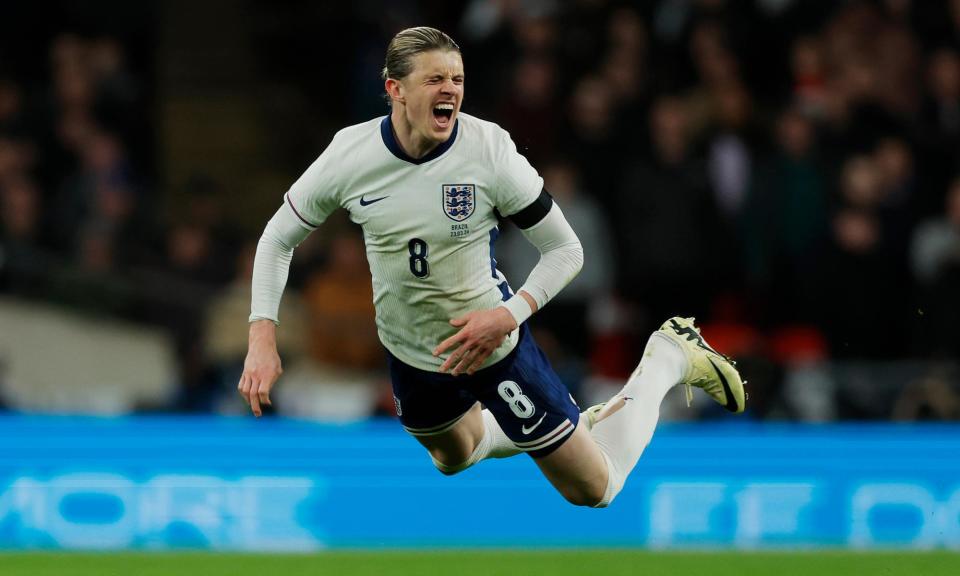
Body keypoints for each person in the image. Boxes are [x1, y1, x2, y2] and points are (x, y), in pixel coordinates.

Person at [238, 27, 745, 507]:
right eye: (435, 79)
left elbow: (567, 250)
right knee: (452, 457)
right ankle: (566, 424)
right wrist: (262, 336)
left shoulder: (488, 151)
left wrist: (508, 315)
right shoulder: (351, 154)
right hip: (413, 354)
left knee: (595, 489)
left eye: (457, 79)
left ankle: (666, 358)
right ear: (395, 89)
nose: (450, 91)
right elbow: (278, 238)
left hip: (495, 348)